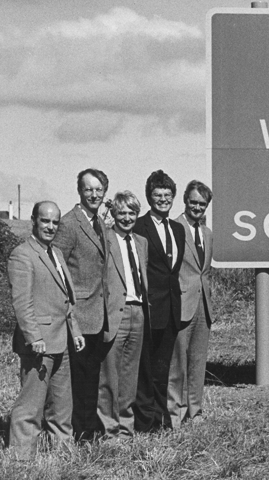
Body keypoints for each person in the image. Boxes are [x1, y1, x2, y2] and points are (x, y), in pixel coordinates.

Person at [7, 201, 85, 459]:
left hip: (60, 341)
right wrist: (34, 337)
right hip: (39, 345)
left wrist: (75, 331)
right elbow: (22, 302)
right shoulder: (22, 255)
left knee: (62, 406)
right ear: (33, 220)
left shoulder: (57, 254)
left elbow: (66, 299)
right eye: (45, 221)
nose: (50, 226)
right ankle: (21, 459)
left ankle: (62, 455)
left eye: (55, 222)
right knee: (31, 405)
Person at [53, 168, 110, 440]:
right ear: (79, 191)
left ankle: (89, 428)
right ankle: (80, 432)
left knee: (91, 377)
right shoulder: (69, 223)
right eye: (88, 189)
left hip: (98, 315)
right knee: (79, 379)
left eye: (99, 189)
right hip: (79, 317)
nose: (94, 194)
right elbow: (56, 269)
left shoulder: (98, 222)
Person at [132, 170, 186, 432]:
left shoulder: (177, 228)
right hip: (149, 309)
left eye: (167, 195)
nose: (163, 200)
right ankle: (146, 423)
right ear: (149, 197)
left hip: (172, 309)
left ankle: (162, 419)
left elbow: (172, 271)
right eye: (157, 195)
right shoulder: (139, 227)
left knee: (162, 371)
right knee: (146, 369)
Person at [98, 191, 150, 438]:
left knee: (130, 374)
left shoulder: (141, 242)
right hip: (114, 312)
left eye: (132, 213)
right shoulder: (105, 239)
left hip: (138, 310)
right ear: (114, 214)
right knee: (109, 375)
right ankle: (109, 429)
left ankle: (126, 429)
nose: (127, 218)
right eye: (122, 213)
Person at [167, 181, 214, 427]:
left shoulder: (207, 233)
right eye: (193, 202)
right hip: (181, 303)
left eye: (202, 204)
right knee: (178, 364)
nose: (197, 207)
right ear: (185, 200)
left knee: (197, 362)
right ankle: (175, 413)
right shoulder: (174, 228)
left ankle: (195, 412)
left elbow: (203, 271)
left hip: (203, 305)